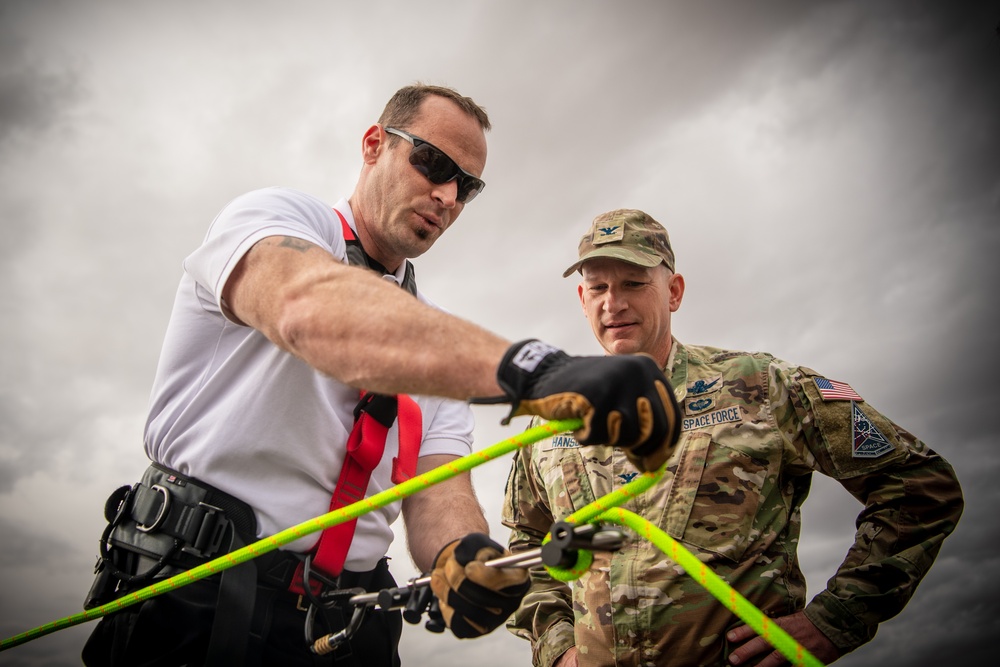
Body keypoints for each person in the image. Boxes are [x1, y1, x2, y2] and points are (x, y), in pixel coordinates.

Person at [80, 88, 681, 667]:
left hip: (344, 622)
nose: (447, 195)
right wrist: (537, 371)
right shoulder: (274, 219)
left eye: (466, 186)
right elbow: (310, 311)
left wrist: (464, 558)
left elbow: (437, 491)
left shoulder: (435, 341)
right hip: (195, 595)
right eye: (432, 163)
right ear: (374, 145)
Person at [502, 209, 964, 667]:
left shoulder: (762, 387)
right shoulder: (551, 423)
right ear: (582, 298)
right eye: (599, 287)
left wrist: (835, 620)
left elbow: (921, 486)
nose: (613, 303)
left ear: (674, 292)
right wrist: (557, 647)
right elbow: (527, 542)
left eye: (634, 284)